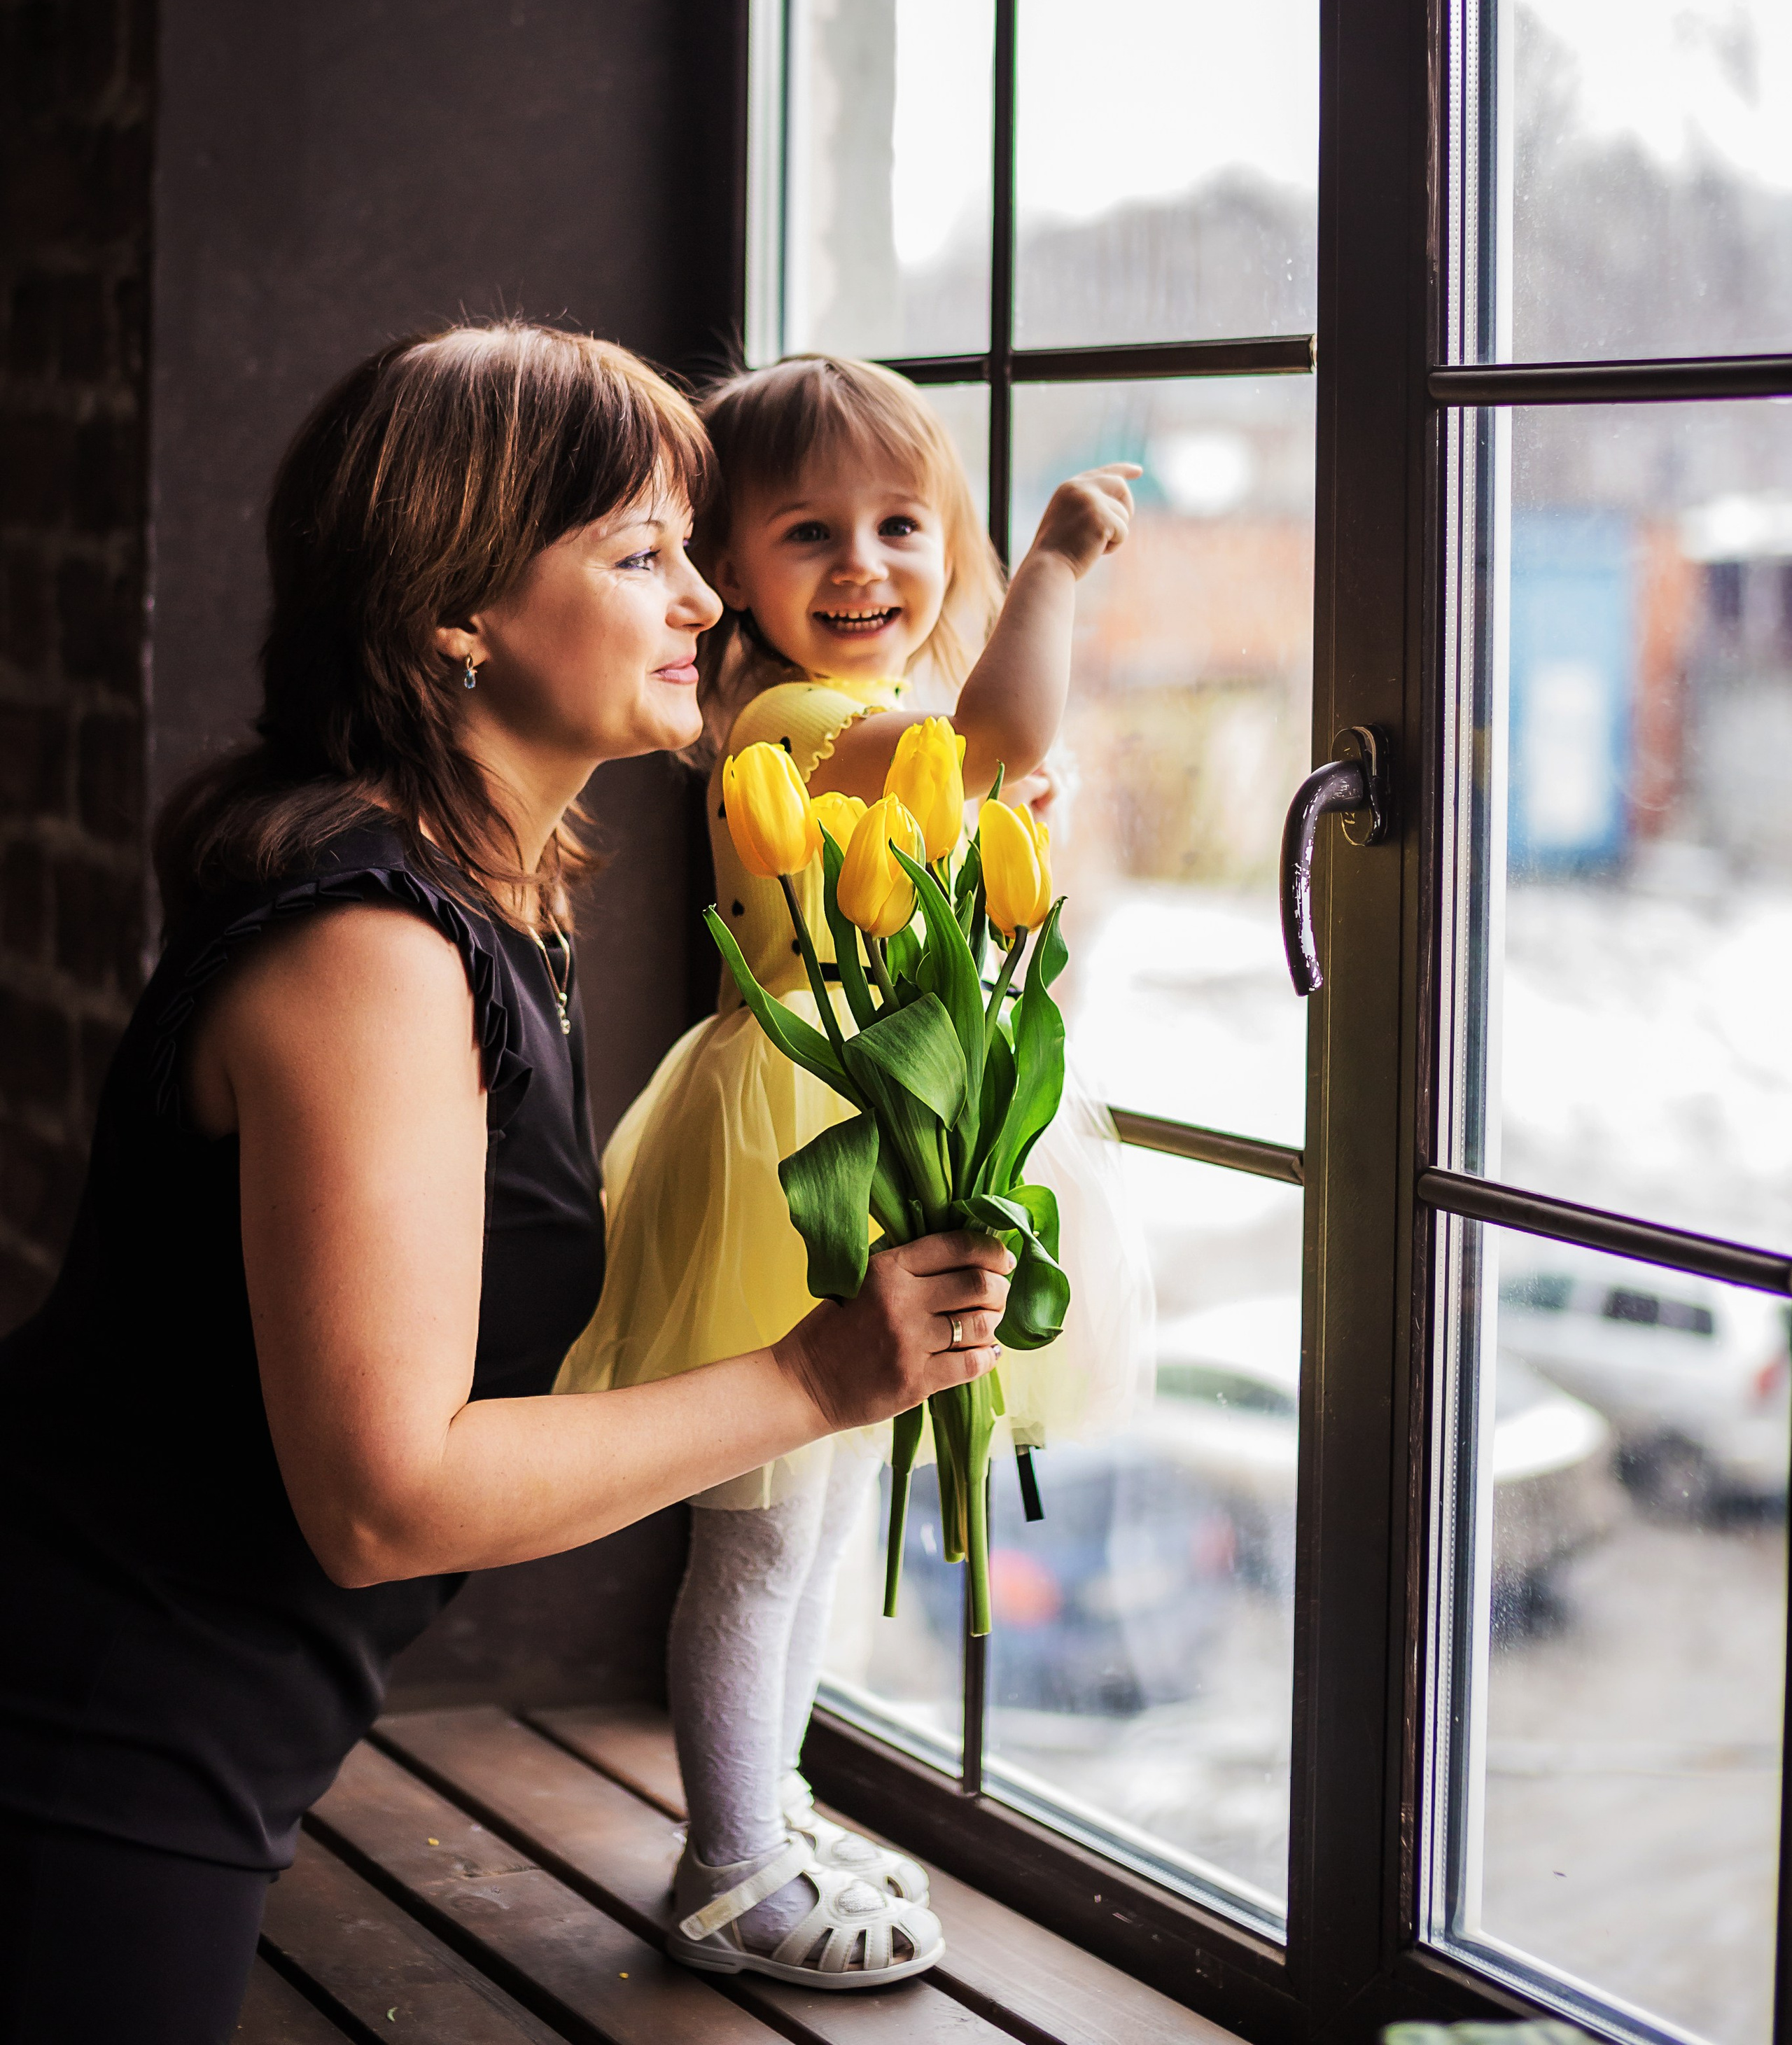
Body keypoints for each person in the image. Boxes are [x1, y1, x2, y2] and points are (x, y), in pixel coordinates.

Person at [0, 324, 1012, 2045]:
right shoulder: (370, 953)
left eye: (695, 552)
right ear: (452, 612)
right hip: (86, 1741)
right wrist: (810, 1380)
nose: (706, 602)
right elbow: (384, 1500)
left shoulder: (476, 898)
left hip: (181, 1731)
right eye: (640, 555)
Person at [558, 351, 1149, 1992]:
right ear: (727, 571)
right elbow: (1001, 727)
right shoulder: (797, 716)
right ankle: (729, 1866)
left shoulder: (865, 727)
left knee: (812, 1534)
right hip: (796, 1147)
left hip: (876, 1113)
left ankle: (767, 1803)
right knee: (761, 1535)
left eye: (901, 526)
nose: (862, 566)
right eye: (806, 533)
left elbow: (980, 808)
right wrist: (1052, 566)